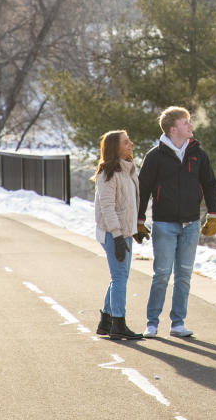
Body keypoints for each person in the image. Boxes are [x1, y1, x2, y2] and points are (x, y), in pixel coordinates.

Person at [134, 106, 216, 338]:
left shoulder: (197, 153)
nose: (190, 126)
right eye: (185, 122)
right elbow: (143, 189)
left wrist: (214, 214)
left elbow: (209, 184)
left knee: (184, 274)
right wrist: (138, 220)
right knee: (161, 273)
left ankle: (178, 323)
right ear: (173, 129)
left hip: (191, 224)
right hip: (164, 224)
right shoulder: (155, 156)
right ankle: (152, 323)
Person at [92, 129, 143, 341]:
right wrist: (118, 236)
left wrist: (135, 228)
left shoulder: (127, 170)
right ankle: (118, 324)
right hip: (113, 234)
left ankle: (106, 321)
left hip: (124, 232)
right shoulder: (108, 174)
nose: (130, 144)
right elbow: (107, 207)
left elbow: (129, 205)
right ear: (115, 147)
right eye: (125, 142)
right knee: (120, 277)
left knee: (118, 276)